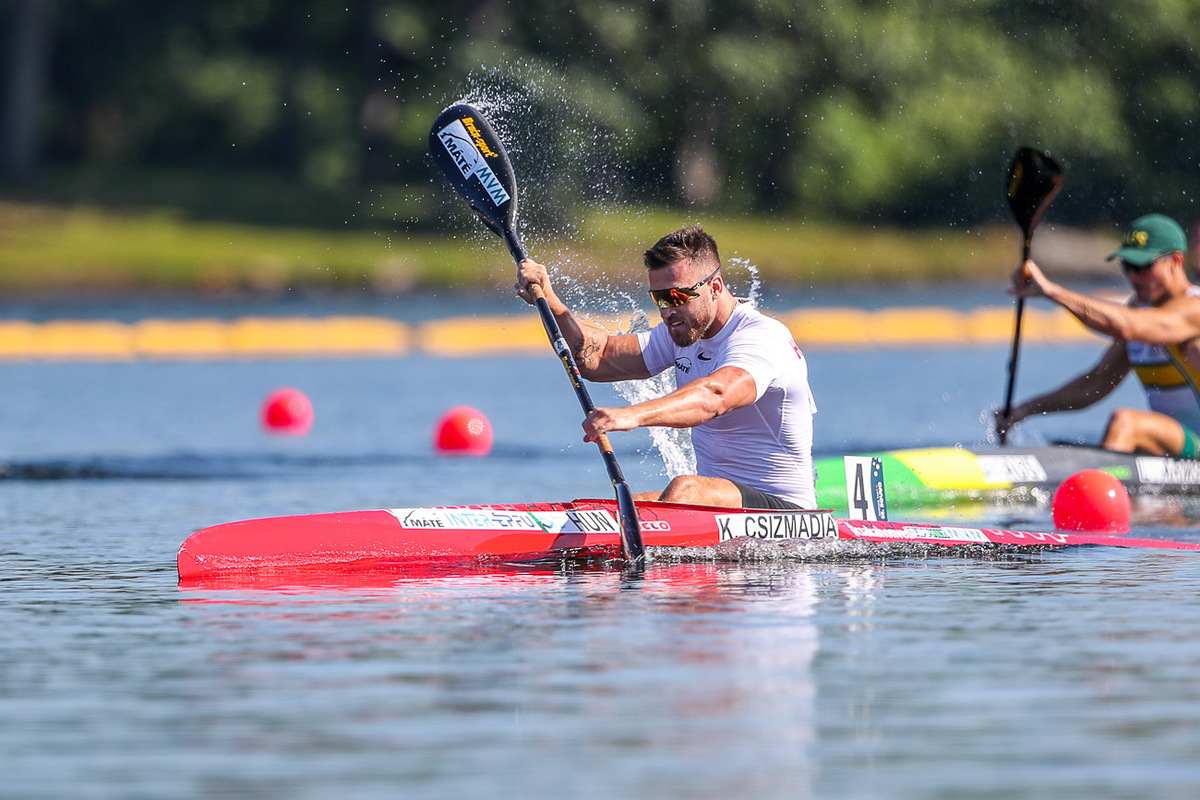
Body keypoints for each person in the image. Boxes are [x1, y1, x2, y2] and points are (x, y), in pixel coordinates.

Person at [515, 224, 817, 509]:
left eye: (677, 296)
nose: (667, 311)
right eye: (658, 298)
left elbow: (716, 395)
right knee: (615, 507)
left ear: (715, 287)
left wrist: (631, 416)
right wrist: (550, 300)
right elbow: (599, 358)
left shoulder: (760, 337)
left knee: (686, 490)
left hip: (785, 510)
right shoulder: (682, 331)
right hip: (720, 504)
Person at [997, 213, 1200, 458]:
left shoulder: (1193, 308)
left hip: (1191, 442)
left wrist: (1052, 291)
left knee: (1125, 422)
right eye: (1127, 266)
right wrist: (1023, 411)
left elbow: (1128, 327)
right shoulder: (1139, 311)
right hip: (1175, 445)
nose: (1133, 277)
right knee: (1065, 447)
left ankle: (1103, 487)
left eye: (1143, 266)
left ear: (1175, 261)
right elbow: (1095, 384)